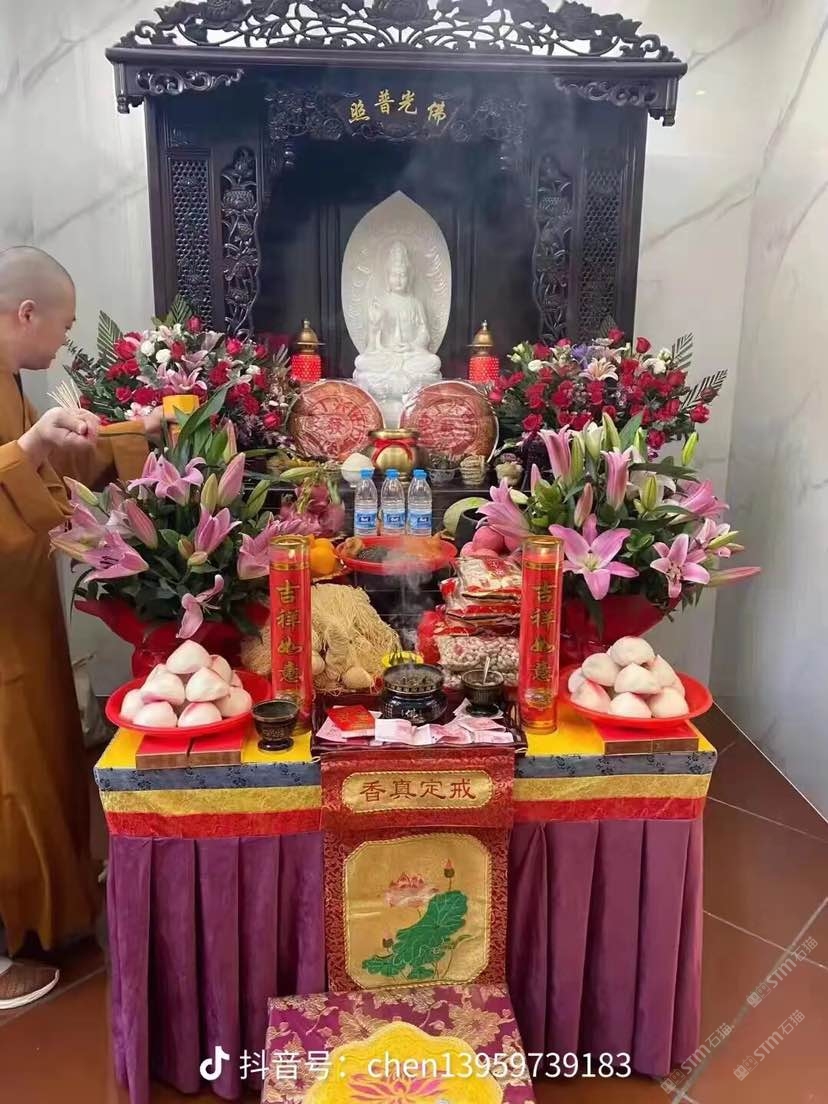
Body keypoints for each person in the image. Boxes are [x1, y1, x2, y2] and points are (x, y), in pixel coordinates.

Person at [0, 246, 159, 1008]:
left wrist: (134, 434)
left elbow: (46, 478)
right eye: (62, 328)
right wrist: (29, 447)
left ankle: (43, 910)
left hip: (20, 611)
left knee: (38, 763)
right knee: (7, 783)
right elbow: (26, 465)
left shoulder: (11, 380)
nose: (65, 342)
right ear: (25, 312)